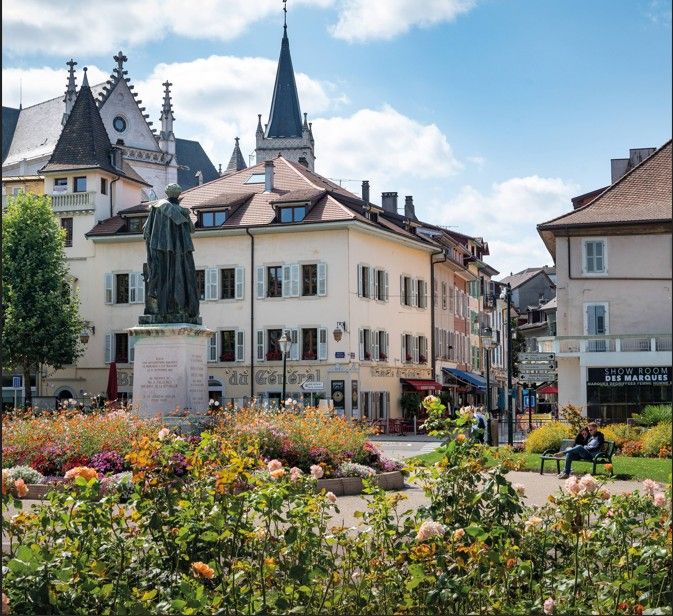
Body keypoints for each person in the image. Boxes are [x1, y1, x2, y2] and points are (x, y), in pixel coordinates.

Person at [142, 183, 199, 323]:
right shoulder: (183, 211)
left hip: (160, 248)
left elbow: (146, 230)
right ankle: (180, 306)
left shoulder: (157, 207)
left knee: (163, 275)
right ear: (178, 195)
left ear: (167, 193)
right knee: (180, 275)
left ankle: (163, 306)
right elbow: (192, 229)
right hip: (181, 250)